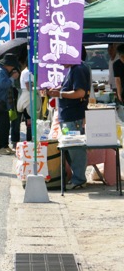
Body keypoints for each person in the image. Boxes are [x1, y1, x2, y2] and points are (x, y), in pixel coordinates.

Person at [47, 48, 91, 190]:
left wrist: (60, 94)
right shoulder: (73, 69)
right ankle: (76, 177)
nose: (59, 62)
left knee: (75, 148)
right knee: (70, 146)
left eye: (61, 58)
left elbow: (80, 92)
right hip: (67, 116)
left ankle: (79, 179)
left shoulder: (78, 69)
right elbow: (69, 87)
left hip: (74, 116)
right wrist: (58, 89)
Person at [0, 53, 21, 155]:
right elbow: (4, 85)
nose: (12, 68)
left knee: (5, 125)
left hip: (3, 101)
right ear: (8, 64)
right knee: (1, 125)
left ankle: (5, 145)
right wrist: (12, 78)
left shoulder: (2, 70)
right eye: (12, 66)